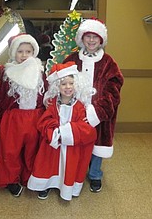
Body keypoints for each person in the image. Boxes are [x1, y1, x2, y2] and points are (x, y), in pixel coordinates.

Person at [63, 18, 124, 193]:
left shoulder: (108, 62)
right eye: (87, 36)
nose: (91, 40)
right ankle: (76, 173)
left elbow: (115, 87)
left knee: (98, 144)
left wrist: (98, 111)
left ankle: (95, 174)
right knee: (77, 143)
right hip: (75, 111)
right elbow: (62, 80)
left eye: (95, 37)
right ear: (81, 38)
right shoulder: (72, 59)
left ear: (101, 39)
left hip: (100, 112)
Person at [0, 33, 46, 197]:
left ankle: (30, 178)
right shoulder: (8, 74)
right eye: (20, 51)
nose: (24, 55)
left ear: (33, 52)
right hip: (13, 119)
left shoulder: (40, 72)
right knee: (10, 151)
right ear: (14, 53)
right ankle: (11, 180)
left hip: (35, 118)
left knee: (32, 151)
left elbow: (48, 95)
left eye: (28, 51)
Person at [27, 61, 97, 201]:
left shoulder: (80, 106)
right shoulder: (52, 103)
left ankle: (65, 187)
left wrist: (67, 132)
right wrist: (55, 133)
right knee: (48, 165)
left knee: (67, 167)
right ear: (57, 86)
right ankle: (44, 185)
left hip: (72, 146)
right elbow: (44, 122)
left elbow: (86, 128)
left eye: (71, 83)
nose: (68, 87)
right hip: (53, 143)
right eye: (63, 84)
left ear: (75, 85)